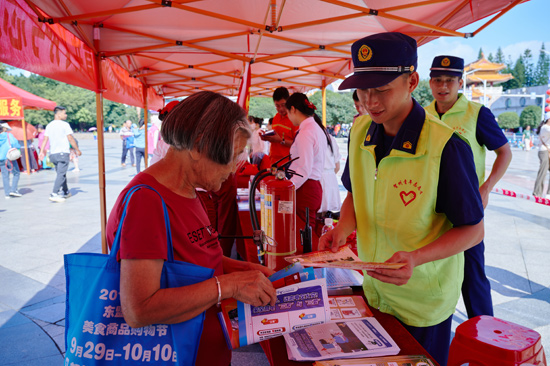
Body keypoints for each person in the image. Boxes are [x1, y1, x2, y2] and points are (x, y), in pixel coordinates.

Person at [321, 32, 484, 366]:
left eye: (381, 89)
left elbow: (473, 230)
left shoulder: (446, 147)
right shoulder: (360, 130)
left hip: (422, 302)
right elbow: (356, 190)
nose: (370, 101)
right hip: (374, 290)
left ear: (412, 81)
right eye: (363, 90)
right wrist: (342, 228)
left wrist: (416, 258)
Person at [105, 91, 277, 366]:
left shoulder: (190, 191)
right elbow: (139, 309)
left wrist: (245, 270)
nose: (234, 169)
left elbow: (194, 258)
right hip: (174, 355)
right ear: (198, 146)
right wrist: (229, 285)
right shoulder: (146, 201)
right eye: (230, 157)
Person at [425, 55, 512, 319]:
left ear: (460, 83)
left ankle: (485, 335)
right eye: (438, 80)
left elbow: (505, 152)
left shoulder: (477, 114)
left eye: (449, 80)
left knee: (473, 277)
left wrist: (486, 188)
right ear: (429, 83)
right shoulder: (423, 115)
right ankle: (435, 324)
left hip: (466, 209)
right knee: (431, 272)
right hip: (429, 209)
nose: (443, 86)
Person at [286, 93, 330, 248]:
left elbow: (304, 168)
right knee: (306, 234)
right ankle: (308, 270)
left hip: (305, 188)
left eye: (287, 113)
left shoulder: (306, 132)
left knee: (304, 237)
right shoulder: (315, 128)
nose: (288, 118)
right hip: (310, 187)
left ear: (292, 109)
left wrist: (288, 188)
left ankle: (307, 271)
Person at [39, 106, 82, 202]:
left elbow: (45, 139)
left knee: (61, 174)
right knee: (61, 174)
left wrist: (42, 151)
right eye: (64, 113)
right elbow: (70, 138)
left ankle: (66, 191)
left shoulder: (49, 125)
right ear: (59, 114)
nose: (66, 115)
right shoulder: (64, 125)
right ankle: (54, 193)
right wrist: (77, 150)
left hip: (53, 154)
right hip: (62, 153)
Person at [260, 87, 299, 165]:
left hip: (288, 164)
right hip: (273, 161)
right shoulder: (276, 117)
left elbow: (298, 145)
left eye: (283, 105)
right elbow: (276, 138)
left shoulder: (295, 119)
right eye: (277, 106)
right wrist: (267, 138)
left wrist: (280, 140)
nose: (280, 109)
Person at [319, 133, 341, 215]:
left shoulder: (309, 135)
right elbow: (337, 166)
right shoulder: (330, 137)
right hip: (330, 179)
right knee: (326, 217)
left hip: (319, 179)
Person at [0, 122, 22, 199]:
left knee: (5, 176)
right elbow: (15, 144)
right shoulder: (9, 135)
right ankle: (13, 190)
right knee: (16, 173)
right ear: (4, 128)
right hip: (10, 157)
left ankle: (7, 193)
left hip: (1, 159)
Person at [533, 112, 550, 198]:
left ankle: (548, 193)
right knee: (542, 172)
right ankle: (537, 193)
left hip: (547, 151)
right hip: (544, 152)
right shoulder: (545, 128)